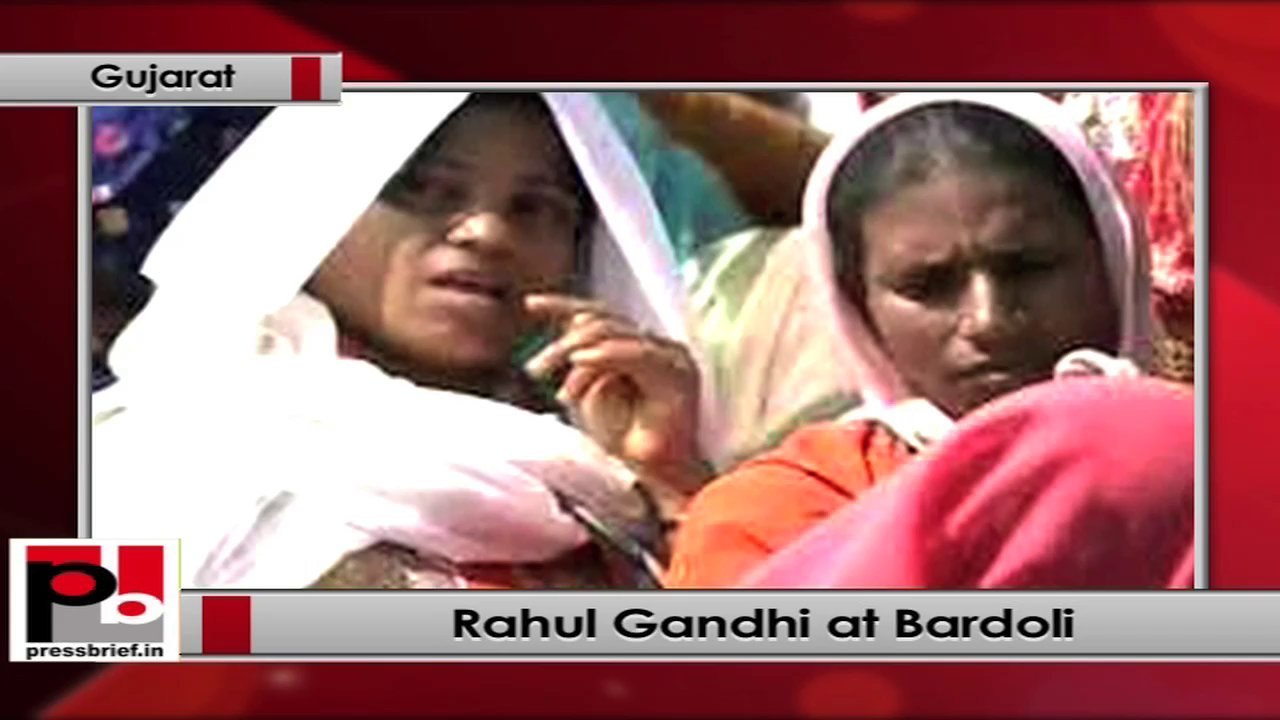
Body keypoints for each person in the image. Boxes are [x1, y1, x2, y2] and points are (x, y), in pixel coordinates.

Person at [93, 92, 714, 589]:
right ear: (314, 212)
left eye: (536, 206)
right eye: (423, 190)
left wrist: (670, 481)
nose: (487, 232)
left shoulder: (592, 473)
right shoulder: (158, 447)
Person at [664, 92, 1193, 589]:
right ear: (857, 305)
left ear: (1112, 261)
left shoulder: (1224, 469)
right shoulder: (776, 512)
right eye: (927, 287)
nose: (988, 321)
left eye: (1028, 267)